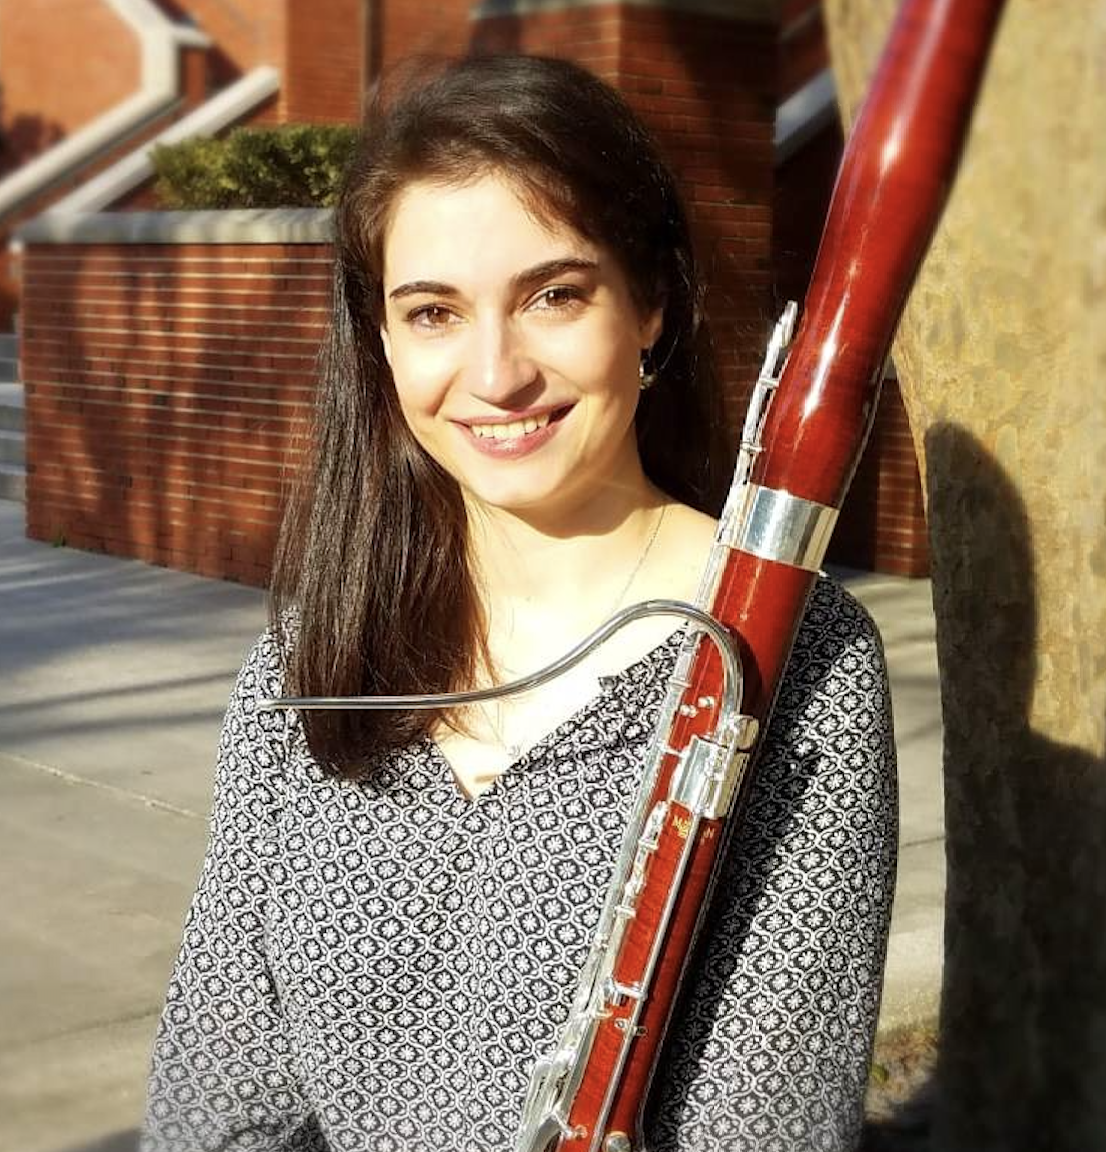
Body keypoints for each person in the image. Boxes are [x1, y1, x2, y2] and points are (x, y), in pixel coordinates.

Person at [141, 54, 897, 1152]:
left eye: (553, 295)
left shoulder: (789, 655)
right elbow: (217, 1108)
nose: (495, 375)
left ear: (649, 303)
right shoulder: (306, 670)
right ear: (383, 343)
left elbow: (764, 1125)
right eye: (433, 312)